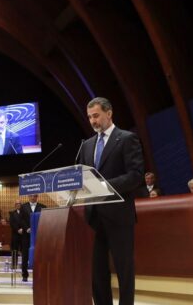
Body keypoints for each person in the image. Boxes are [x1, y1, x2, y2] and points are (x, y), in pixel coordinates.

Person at [77, 97, 143, 305]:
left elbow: (135, 175)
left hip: (119, 216)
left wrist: (104, 186)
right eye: (89, 118)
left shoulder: (126, 138)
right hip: (94, 218)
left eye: (96, 115)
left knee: (124, 270)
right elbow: (81, 177)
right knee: (97, 272)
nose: (93, 121)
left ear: (109, 113)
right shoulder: (86, 145)